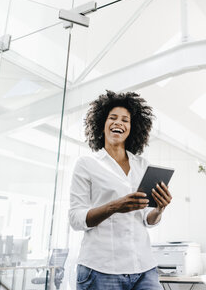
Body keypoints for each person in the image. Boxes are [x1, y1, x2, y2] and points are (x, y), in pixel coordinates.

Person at [69, 90, 172, 290]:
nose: (119, 123)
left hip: (143, 268)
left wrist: (159, 209)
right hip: (101, 269)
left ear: (132, 128)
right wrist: (115, 206)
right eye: (113, 118)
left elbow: (146, 219)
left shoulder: (142, 164)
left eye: (125, 120)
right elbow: (75, 218)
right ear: (102, 124)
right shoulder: (86, 163)